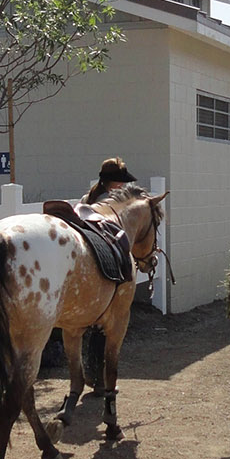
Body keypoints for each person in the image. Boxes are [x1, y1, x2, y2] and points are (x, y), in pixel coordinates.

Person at [80, 157, 137, 392]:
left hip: (88, 264)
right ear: (112, 183)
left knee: (92, 329)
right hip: (104, 264)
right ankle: (100, 379)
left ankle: (92, 376)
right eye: (120, 182)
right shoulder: (110, 204)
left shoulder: (87, 199)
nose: (122, 186)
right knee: (105, 327)